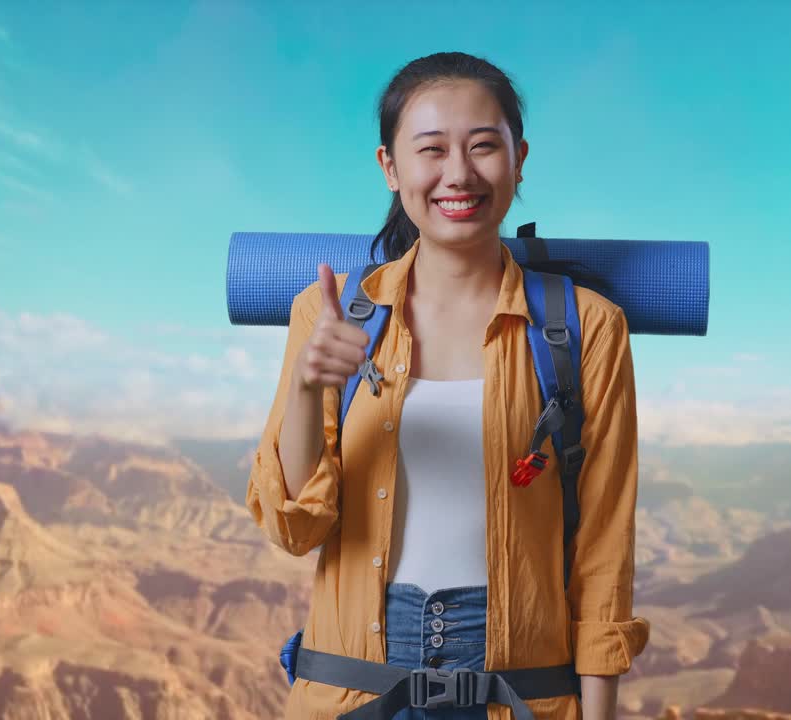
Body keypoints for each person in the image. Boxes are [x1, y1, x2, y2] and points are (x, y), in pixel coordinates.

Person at [246, 51, 649, 720]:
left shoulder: (589, 328)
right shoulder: (328, 312)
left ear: (518, 158)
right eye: (431, 149)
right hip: (353, 694)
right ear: (390, 167)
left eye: (483, 147)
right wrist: (306, 386)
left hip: (521, 696)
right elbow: (294, 528)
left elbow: (604, 549)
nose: (458, 173)